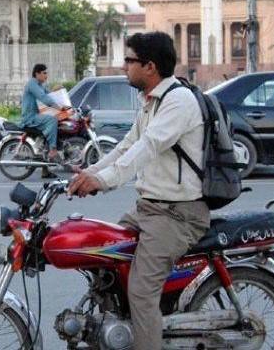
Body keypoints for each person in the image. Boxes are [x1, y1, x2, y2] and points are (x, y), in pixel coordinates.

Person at [67, 32, 209, 350]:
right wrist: (89, 173)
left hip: (177, 215)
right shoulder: (151, 102)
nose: (124, 66)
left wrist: (104, 182)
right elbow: (126, 146)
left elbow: (148, 147)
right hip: (149, 209)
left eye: (129, 60)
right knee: (105, 261)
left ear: (150, 66)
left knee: (142, 291)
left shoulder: (178, 101)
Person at [20, 64, 69, 178]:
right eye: (44, 73)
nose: (46, 75)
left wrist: (57, 90)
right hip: (30, 117)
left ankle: (45, 170)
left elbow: (48, 94)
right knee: (52, 119)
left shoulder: (39, 85)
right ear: (37, 74)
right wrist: (59, 108)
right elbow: (44, 98)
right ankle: (52, 150)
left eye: (46, 73)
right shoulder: (32, 84)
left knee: (54, 128)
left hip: (36, 116)